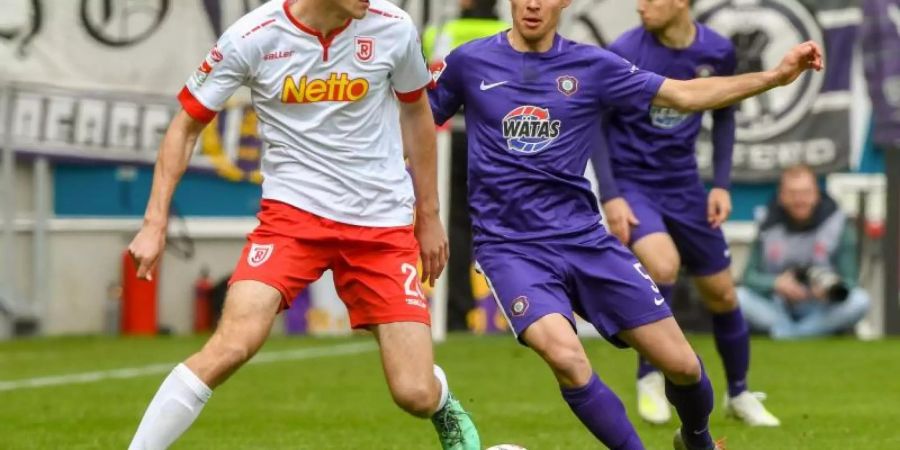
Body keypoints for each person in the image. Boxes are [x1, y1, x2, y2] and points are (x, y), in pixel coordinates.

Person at [428, 0, 821, 448]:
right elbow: (416, 124)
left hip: (584, 240)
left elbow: (684, 94)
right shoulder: (469, 62)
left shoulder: (593, 64)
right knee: (566, 356)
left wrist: (774, 77)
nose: (533, 3)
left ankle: (697, 439)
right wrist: (420, 210)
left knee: (684, 366)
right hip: (510, 247)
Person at [126, 1, 480, 449]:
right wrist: (154, 222)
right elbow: (185, 128)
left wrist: (427, 217)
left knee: (414, 392)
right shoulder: (252, 36)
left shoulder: (393, 27)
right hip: (291, 221)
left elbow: (416, 114)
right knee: (231, 346)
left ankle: (442, 399)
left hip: (380, 225)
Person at [591, 0, 780, 427]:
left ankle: (740, 393)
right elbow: (597, 124)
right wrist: (612, 195)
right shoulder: (625, 49)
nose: (640, 6)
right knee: (663, 265)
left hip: (685, 186)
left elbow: (726, 114)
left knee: (722, 294)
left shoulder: (716, 51)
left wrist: (722, 185)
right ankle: (649, 376)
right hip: (634, 183)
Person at [422, 0, 508, 331]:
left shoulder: (439, 32)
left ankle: (455, 314)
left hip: (450, 138)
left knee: (455, 226)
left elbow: (427, 85)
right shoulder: (508, 33)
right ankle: (519, 310)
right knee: (504, 224)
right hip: (500, 139)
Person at [737, 165, 871, 339]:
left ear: (817, 194)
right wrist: (776, 284)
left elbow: (851, 282)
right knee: (737, 297)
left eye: (805, 193)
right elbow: (748, 277)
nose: (799, 200)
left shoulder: (838, 223)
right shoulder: (767, 224)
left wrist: (828, 289)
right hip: (778, 305)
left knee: (860, 301)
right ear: (781, 196)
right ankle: (798, 332)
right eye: (792, 193)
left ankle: (792, 334)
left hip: (820, 308)